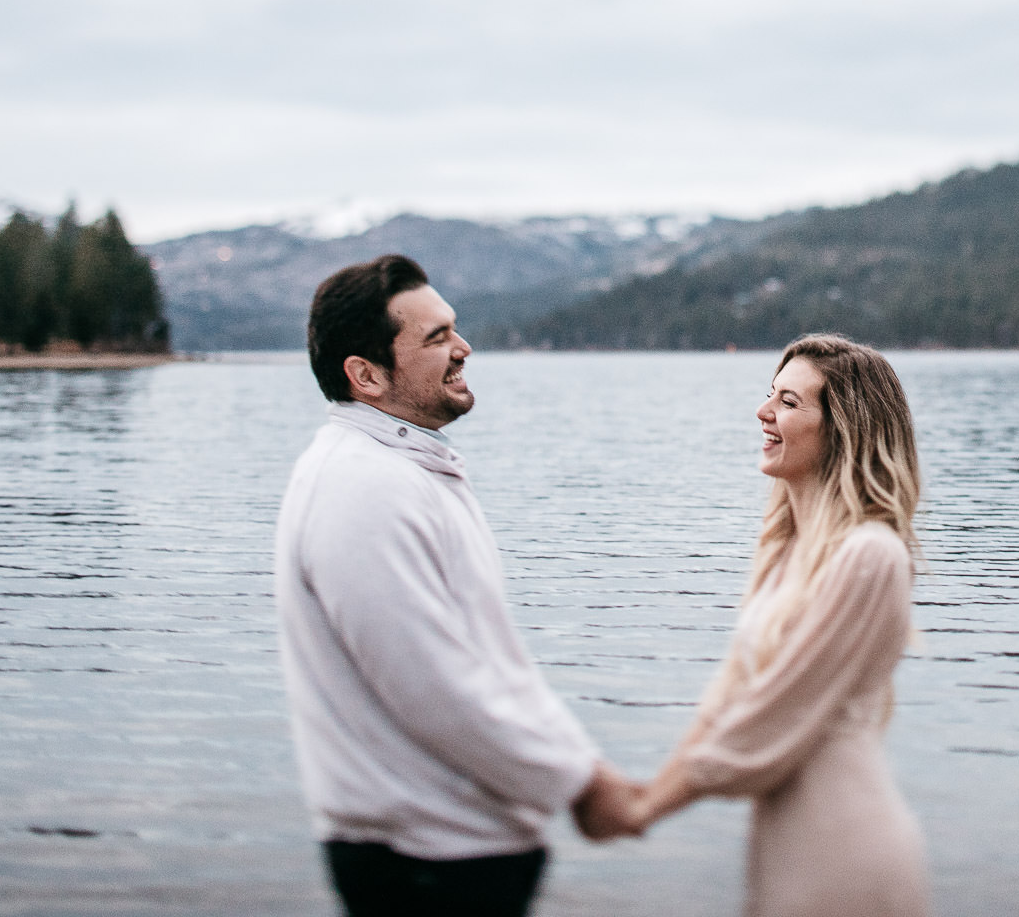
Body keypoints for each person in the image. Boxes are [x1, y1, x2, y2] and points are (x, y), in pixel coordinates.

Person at [274, 254, 637, 917]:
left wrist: (575, 764)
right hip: (424, 867)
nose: (463, 348)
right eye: (436, 337)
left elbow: (493, 663)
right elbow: (431, 685)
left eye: (454, 329)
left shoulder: (408, 471)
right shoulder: (364, 488)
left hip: (457, 854)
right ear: (366, 375)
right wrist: (579, 785)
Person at [628, 333, 931, 917]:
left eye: (789, 403)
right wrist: (646, 790)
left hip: (845, 850)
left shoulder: (870, 555)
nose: (763, 412)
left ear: (844, 426)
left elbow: (771, 718)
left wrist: (646, 809)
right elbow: (729, 701)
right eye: (771, 396)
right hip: (781, 842)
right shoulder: (785, 553)